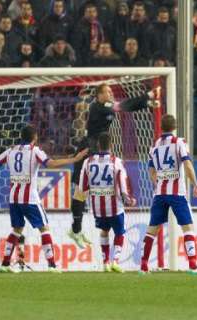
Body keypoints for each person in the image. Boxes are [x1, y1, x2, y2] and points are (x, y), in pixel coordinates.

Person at [0, 125, 89, 273]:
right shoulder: (35, 151)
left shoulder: (11, 150)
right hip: (30, 199)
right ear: (34, 137)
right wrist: (75, 159)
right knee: (44, 228)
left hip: (14, 198)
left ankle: (5, 264)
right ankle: (52, 265)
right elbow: (51, 164)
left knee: (17, 230)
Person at [68, 83, 161, 248]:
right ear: (99, 95)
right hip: (88, 148)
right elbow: (124, 106)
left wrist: (146, 104)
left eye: (111, 91)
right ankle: (76, 230)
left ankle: (76, 229)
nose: (111, 94)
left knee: (84, 191)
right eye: (107, 91)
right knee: (80, 191)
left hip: (97, 148)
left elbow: (125, 106)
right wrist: (149, 97)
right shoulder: (99, 107)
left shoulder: (106, 106)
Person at [140, 114, 197, 275]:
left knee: (152, 230)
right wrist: (196, 185)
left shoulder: (155, 146)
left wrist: (158, 182)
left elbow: (150, 170)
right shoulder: (179, 142)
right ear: (174, 127)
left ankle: (143, 266)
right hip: (177, 193)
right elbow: (187, 165)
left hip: (159, 194)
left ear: (161, 127)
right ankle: (193, 265)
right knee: (188, 228)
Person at [78, 133, 136, 273]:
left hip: (97, 208)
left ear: (98, 145)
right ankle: (115, 261)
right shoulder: (116, 162)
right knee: (119, 233)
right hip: (115, 207)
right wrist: (128, 200)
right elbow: (122, 185)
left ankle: (105, 262)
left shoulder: (88, 161)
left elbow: (82, 188)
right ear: (111, 145)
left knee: (104, 232)